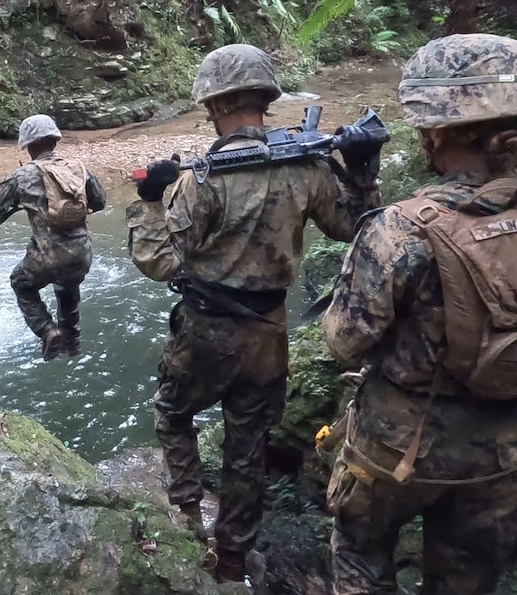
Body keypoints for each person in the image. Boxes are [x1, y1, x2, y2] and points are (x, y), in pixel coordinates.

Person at [323, 34, 517, 595]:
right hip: (509, 439)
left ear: (433, 130)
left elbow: (344, 341)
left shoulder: (400, 228)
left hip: (401, 445)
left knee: (359, 556)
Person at [126, 43, 382, 583]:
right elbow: (355, 226)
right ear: (266, 100)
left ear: (214, 105)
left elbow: (155, 260)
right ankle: (234, 558)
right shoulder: (307, 165)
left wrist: (149, 199)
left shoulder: (201, 180)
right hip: (270, 331)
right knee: (248, 446)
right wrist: (361, 171)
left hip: (205, 329)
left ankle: (190, 517)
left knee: (173, 413)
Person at [0, 114, 107, 361]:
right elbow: (100, 201)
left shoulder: (23, 175)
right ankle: (72, 344)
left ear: (27, 146)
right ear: (54, 141)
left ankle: (47, 331)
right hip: (81, 254)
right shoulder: (79, 169)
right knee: (68, 288)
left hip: (46, 257)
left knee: (21, 284)